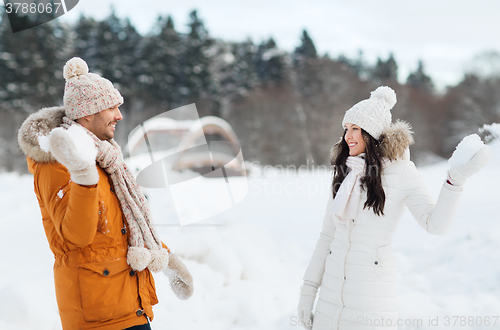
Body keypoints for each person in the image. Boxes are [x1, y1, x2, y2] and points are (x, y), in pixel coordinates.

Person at [18, 57, 194, 330]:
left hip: (130, 304)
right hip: (97, 315)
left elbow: (123, 223)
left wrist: (165, 257)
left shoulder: (106, 157)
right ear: (87, 113)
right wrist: (83, 178)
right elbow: (77, 236)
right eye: (111, 107)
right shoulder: (56, 162)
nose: (119, 115)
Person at [297, 86, 491, 330]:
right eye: (346, 128)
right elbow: (327, 236)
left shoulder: (401, 172)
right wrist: (308, 292)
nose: (348, 135)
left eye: (356, 128)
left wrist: (455, 181)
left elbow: (435, 224)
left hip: (370, 303)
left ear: (372, 132)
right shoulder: (345, 172)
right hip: (330, 303)